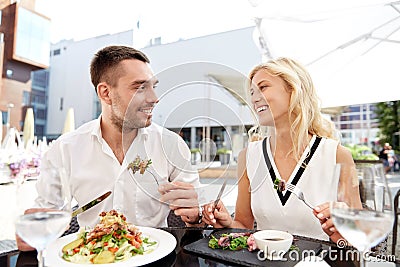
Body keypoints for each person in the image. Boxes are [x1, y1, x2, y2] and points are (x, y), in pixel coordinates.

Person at [17, 45, 202, 251]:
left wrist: (196, 216)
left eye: (153, 86)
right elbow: (47, 216)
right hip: (90, 259)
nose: (153, 98)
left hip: (156, 256)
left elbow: (198, 220)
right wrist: (36, 232)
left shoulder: (172, 145)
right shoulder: (64, 150)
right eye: (140, 87)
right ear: (105, 93)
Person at [202, 57, 358, 243]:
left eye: (263, 87)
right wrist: (227, 223)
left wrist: (344, 229)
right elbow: (244, 224)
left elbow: (360, 230)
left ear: (293, 90)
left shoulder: (337, 155)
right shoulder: (249, 156)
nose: (254, 98)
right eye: (252, 92)